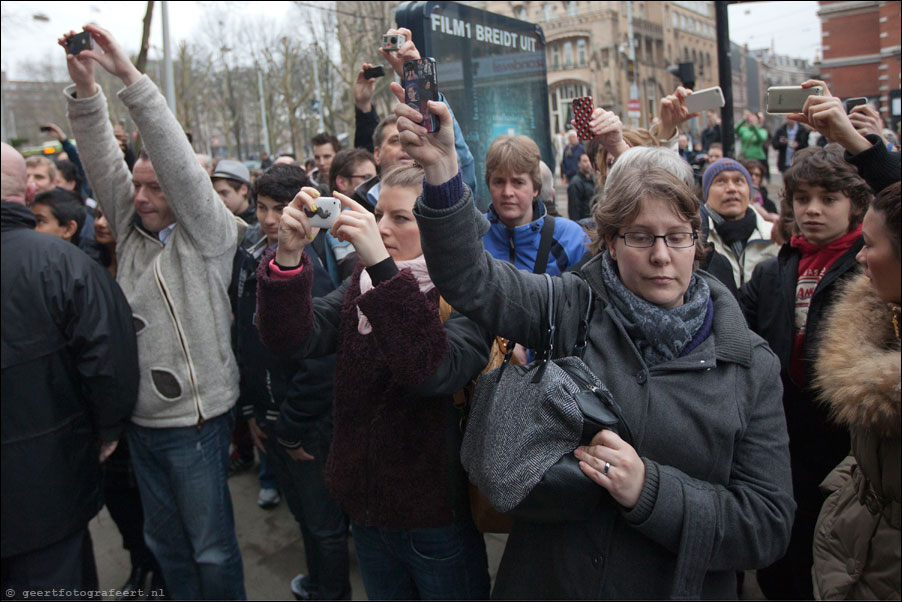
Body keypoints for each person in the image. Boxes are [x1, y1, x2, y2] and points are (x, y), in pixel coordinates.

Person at [394, 92, 794, 598]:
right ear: (607, 238)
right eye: (640, 237)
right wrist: (444, 169)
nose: (661, 257)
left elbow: (767, 524)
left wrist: (649, 491)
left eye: (677, 236)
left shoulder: (749, 363)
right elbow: (471, 280)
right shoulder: (569, 306)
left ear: (699, 239)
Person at [61, 25, 246, 598]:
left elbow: (175, 161)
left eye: (155, 188)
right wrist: (86, 89)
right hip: (142, 426)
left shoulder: (210, 236)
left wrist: (130, 78)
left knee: (211, 549)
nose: (139, 197)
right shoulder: (135, 233)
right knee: (167, 545)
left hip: (196, 425)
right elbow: (100, 160)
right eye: (136, 187)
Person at [255, 165, 492, 600]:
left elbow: (431, 371)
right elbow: (290, 338)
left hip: (435, 519)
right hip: (365, 512)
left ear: (440, 229)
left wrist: (384, 269)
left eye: (400, 218)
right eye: (379, 213)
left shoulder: (467, 295)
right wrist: (287, 256)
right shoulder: (360, 283)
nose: (380, 227)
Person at [2, 143, 139, 596]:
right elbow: (109, 359)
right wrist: (108, 429)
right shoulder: (64, 264)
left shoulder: (64, 263)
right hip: (51, 490)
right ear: (27, 189)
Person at [739, 145, 872, 599]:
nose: (812, 210)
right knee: (785, 551)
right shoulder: (773, 272)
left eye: (828, 199)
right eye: (802, 198)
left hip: (844, 440)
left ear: (855, 204)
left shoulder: (869, 266)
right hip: (782, 431)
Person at [231, 164, 350, 600]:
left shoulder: (306, 269)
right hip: (273, 415)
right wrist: (254, 410)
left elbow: (320, 364)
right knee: (303, 516)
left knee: (323, 523)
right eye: (261, 207)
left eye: (280, 208)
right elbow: (246, 340)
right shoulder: (250, 260)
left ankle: (331, 591)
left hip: (305, 426)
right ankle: (318, 583)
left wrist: (293, 425)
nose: (268, 219)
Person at [810, 182, 900, 600]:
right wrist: (848, 492)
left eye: (869, 244)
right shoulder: (882, 319)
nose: (860, 257)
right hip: (856, 551)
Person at [482, 135, 589, 276]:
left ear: (536, 189)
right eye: (499, 182)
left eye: (518, 183)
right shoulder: (474, 235)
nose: (507, 192)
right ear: (489, 185)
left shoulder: (569, 238)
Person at [701, 158, 779, 288]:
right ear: (706, 193)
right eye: (720, 181)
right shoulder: (697, 239)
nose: (731, 188)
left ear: (749, 192)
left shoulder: (774, 237)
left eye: (739, 181)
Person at [212, 159, 258, 247]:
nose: (219, 200)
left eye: (224, 193)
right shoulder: (216, 220)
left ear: (243, 189)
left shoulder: (260, 222)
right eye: (216, 194)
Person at [566, 150, 595, 221]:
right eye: (585, 161)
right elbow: (574, 208)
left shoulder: (594, 179)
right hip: (583, 222)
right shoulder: (575, 183)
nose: (588, 163)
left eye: (589, 161)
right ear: (579, 163)